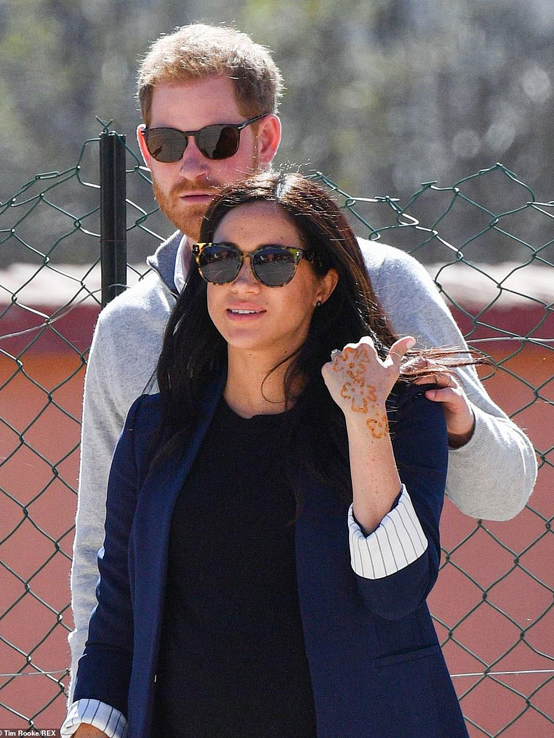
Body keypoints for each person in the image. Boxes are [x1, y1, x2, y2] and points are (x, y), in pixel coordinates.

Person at [68, 22, 537, 701]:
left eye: (217, 139)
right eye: (167, 143)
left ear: (266, 139)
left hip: (352, 700)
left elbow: (505, 493)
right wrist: (93, 709)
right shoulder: (129, 329)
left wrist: (456, 421)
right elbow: (102, 559)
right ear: (145, 150)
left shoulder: (381, 283)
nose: (191, 164)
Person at [63, 171, 474, 738]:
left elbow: (395, 592)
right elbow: (117, 619)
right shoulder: (154, 428)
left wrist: (364, 419)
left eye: (274, 262)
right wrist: (90, 723)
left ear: (324, 283)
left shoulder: (397, 412)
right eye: (222, 260)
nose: (242, 282)